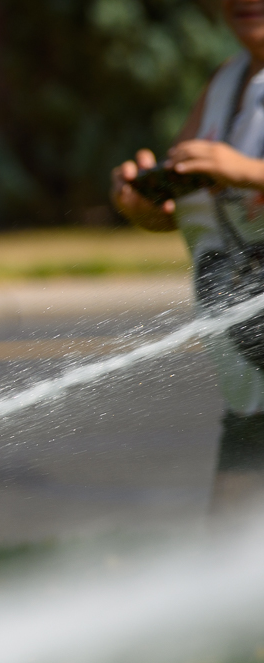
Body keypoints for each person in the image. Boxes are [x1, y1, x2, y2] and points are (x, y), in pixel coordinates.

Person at [111, 0, 264, 512]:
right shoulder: (226, 82)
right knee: (228, 557)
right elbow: (184, 208)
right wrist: (145, 204)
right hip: (249, 381)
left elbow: (239, 175)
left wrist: (248, 170)